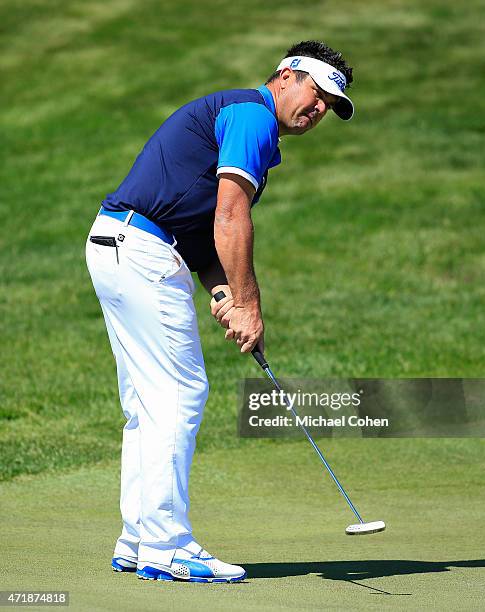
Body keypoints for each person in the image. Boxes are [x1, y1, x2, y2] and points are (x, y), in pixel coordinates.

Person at [85, 40, 354, 584]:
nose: (319, 109)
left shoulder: (243, 121)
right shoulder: (252, 117)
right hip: (141, 249)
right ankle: (167, 545)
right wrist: (250, 306)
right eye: (317, 92)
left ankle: (139, 539)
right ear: (286, 76)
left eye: (330, 105)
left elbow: (205, 238)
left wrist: (223, 295)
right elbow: (230, 216)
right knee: (179, 393)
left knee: (146, 401)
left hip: (118, 244)